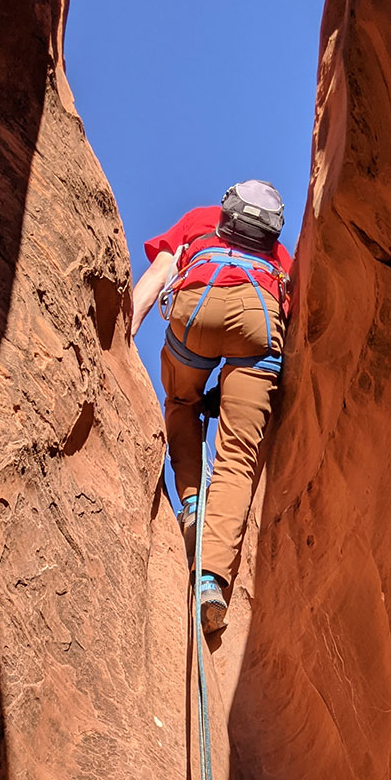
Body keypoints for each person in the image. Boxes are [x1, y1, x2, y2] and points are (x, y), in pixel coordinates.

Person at [132, 181, 293, 632]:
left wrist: (129, 324)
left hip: (197, 308)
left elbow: (161, 271)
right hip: (258, 319)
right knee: (238, 456)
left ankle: (191, 504)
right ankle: (211, 582)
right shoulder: (279, 255)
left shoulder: (200, 220)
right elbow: (293, 314)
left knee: (182, 401)